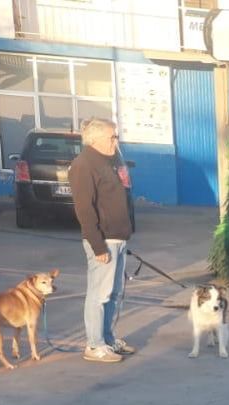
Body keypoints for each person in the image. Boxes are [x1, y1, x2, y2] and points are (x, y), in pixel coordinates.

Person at [69, 117, 133, 363]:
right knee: (99, 294)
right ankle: (94, 345)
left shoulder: (109, 161)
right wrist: (97, 245)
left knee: (113, 293)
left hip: (118, 238)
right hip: (103, 240)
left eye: (116, 136)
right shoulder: (84, 165)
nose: (116, 141)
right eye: (112, 137)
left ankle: (107, 338)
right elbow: (84, 209)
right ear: (95, 139)